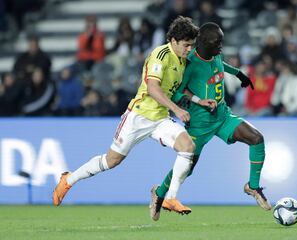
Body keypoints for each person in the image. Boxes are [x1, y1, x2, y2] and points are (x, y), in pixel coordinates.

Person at [52, 17, 208, 219]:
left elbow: (178, 88)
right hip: (139, 116)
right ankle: (69, 179)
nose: (189, 49)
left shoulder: (182, 59)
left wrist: (198, 100)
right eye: (186, 45)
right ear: (174, 40)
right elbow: (153, 88)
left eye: (191, 46)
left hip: (160, 119)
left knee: (188, 147)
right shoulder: (160, 55)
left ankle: (169, 197)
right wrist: (177, 110)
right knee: (111, 161)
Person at [149, 22, 271, 221]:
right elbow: (177, 91)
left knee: (256, 138)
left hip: (222, 117)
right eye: (217, 43)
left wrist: (239, 73)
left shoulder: (215, 55)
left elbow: (221, 65)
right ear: (203, 42)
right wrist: (198, 102)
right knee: (186, 169)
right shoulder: (188, 63)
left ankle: (253, 186)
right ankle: (159, 193)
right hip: (199, 124)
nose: (221, 47)